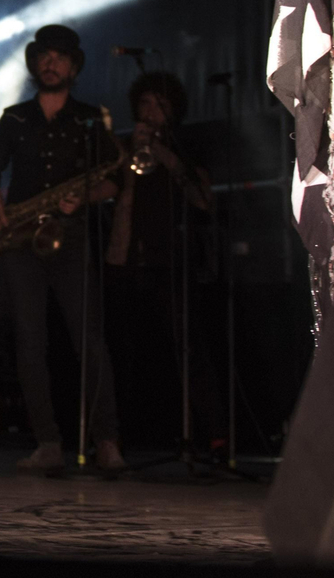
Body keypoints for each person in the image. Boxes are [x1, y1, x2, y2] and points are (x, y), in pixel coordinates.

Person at [0, 24, 126, 472]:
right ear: (33, 63)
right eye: (44, 56)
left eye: (60, 57)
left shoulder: (90, 118)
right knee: (29, 342)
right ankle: (47, 443)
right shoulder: (15, 117)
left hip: (72, 237)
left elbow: (113, 179)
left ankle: (108, 442)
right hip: (22, 239)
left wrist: (84, 195)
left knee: (90, 342)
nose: (51, 63)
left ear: (74, 66)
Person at [106, 71, 225, 452]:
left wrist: (165, 155)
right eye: (145, 104)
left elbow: (204, 200)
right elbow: (108, 190)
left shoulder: (185, 150)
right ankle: (120, 437)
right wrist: (130, 155)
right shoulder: (124, 148)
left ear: (173, 111)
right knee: (123, 351)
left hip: (172, 262)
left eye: (160, 105)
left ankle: (215, 435)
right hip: (127, 259)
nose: (151, 112)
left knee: (189, 350)